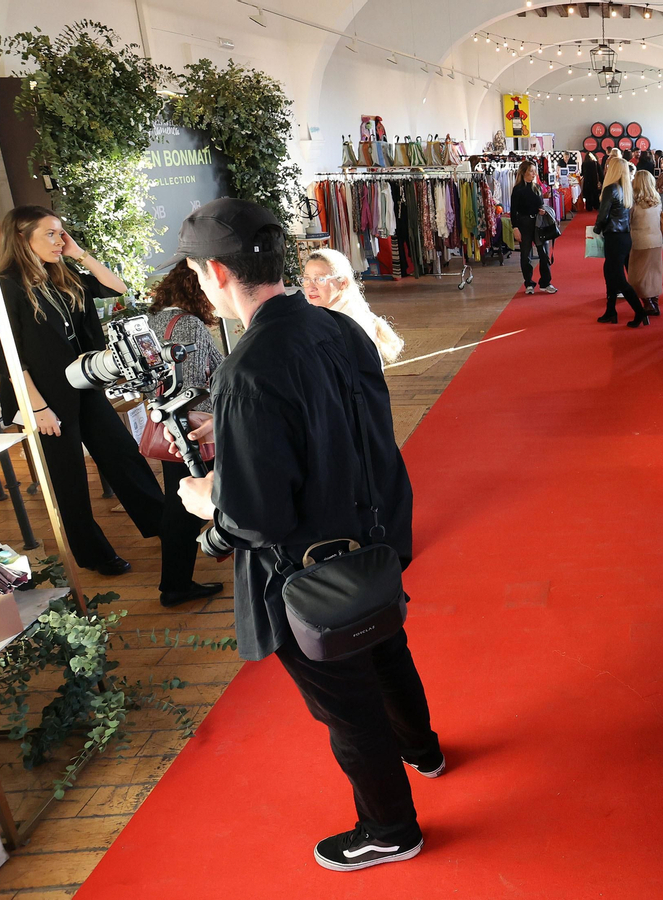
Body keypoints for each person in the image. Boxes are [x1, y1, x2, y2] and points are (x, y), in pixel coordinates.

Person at [172, 199, 442, 872]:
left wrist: (211, 504)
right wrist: (235, 433)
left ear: (215, 272)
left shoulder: (250, 369)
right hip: (371, 540)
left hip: (307, 575)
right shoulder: (338, 329)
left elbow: (256, 516)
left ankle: (390, 827)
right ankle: (424, 750)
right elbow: (342, 432)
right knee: (386, 650)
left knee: (347, 705)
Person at [0, 206, 171, 577]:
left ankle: (167, 526)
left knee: (123, 455)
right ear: (22, 237)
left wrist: (78, 253)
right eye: (50, 234)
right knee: (69, 478)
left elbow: (119, 288)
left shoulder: (60, 273)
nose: (59, 240)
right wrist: (36, 409)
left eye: (61, 233)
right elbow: (9, 357)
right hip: (43, 397)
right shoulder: (2, 286)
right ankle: (95, 555)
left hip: (83, 384)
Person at [145, 262, 225, 607]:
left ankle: (175, 581)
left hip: (166, 421)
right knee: (185, 504)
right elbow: (191, 385)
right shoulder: (189, 324)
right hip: (194, 427)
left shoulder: (155, 320)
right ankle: (176, 584)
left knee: (175, 502)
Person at [302, 249, 405, 366]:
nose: (311, 287)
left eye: (320, 279)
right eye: (306, 279)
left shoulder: (349, 322)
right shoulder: (327, 314)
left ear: (343, 283)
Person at [593, 156, 648, 328]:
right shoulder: (626, 189)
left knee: (617, 278)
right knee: (610, 274)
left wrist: (595, 229)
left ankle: (640, 312)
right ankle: (611, 311)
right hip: (624, 237)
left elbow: (603, 215)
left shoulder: (610, 189)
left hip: (614, 237)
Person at [508, 160, 557, 296]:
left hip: (538, 223)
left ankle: (545, 282)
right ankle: (529, 282)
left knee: (544, 253)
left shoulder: (537, 187)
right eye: (531, 171)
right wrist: (515, 227)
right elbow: (513, 211)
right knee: (525, 255)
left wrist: (542, 211)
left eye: (534, 171)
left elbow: (541, 205)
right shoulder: (517, 189)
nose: (534, 173)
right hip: (524, 223)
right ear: (524, 172)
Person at [628, 170, 663, 317]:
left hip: (639, 241)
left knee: (637, 275)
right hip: (656, 240)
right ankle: (654, 302)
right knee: (654, 273)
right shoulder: (657, 200)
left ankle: (648, 303)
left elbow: (629, 221)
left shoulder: (634, 202)